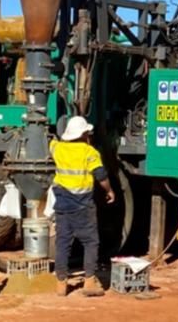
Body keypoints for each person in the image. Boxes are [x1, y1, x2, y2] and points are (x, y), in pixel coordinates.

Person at [50, 115, 115, 297]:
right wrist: (110, 191)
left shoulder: (58, 149)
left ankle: (61, 284)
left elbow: (50, 142)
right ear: (85, 134)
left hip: (62, 203)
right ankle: (89, 281)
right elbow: (101, 175)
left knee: (63, 243)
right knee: (90, 242)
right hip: (83, 205)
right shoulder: (89, 152)